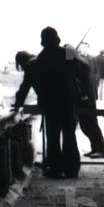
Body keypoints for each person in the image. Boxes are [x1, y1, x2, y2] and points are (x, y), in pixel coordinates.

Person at [13, 27, 84, 178]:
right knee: (69, 135)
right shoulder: (68, 53)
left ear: (43, 42)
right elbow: (80, 72)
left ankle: (55, 168)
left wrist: (18, 103)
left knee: (52, 137)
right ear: (57, 39)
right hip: (67, 102)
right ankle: (72, 169)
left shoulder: (36, 61)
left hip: (50, 104)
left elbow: (25, 86)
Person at [68, 44, 104, 159]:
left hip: (86, 99)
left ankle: (101, 150)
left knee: (91, 124)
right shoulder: (78, 62)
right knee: (86, 125)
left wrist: (84, 96)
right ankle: (95, 148)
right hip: (84, 98)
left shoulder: (79, 64)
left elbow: (84, 81)